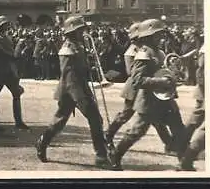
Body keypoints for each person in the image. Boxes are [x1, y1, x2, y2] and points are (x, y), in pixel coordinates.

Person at [35, 16, 115, 169]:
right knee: (93, 119)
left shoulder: (77, 46)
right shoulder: (68, 48)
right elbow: (69, 76)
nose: (83, 32)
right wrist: (80, 96)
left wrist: (90, 66)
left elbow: (80, 68)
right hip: (72, 90)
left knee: (61, 121)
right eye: (80, 30)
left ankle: (42, 142)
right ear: (72, 32)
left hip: (78, 89)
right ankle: (100, 155)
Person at [110, 19, 186, 170]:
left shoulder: (160, 52)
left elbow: (162, 72)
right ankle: (116, 155)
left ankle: (184, 162)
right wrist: (162, 81)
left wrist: (173, 76)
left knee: (178, 128)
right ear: (148, 36)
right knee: (137, 132)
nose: (161, 37)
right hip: (149, 101)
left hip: (165, 99)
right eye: (158, 34)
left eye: (161, 34)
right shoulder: (143, 54)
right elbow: (137, 80)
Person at [105, 22, 174, 152]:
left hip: (146, 87)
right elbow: (131, 72)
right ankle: (108, 135)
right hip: (134, 88)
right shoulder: (132, 51)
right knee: (126, 115)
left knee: (155, 117)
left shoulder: (149, 49)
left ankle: (169, 143)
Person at [178, 43, 205, 171]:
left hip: (205, 92)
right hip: (207, 92)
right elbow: (202, 72)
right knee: (204, 128)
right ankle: (186, 156)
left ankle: (181, 147)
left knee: (195, 122)